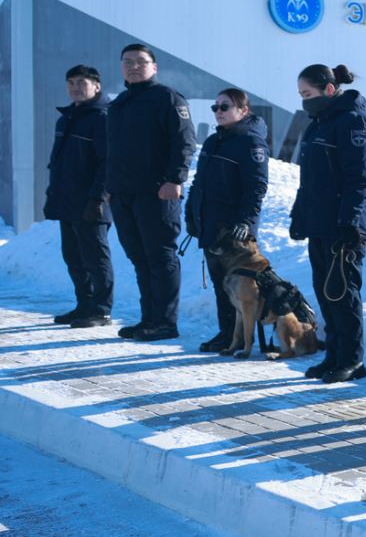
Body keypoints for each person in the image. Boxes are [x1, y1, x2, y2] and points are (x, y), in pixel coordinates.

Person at [290, 64, 366, 383]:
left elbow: (360, 179)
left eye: (308, 94)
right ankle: (334, 356)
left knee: (344, 292)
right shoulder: (317, 124)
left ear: (329, 89)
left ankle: (353, 360)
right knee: (324, 291)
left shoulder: (352, 121)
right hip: (320, 221)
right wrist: (301, 214)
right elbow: (309, 179)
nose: (304, 101)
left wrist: (352, 222)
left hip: (344, 224)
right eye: (301, 95)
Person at [105, 42, 197, 342]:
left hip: (156, 193)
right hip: (123, 194)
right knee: (139, 258)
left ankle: (165, 322)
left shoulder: (166, 98)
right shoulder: (119, 103)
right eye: (127, 61)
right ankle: (149, 319)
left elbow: (184, 142)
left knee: (160, 257)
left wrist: (175, 178)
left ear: (153, 67)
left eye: (140, 61)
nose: (133, 66)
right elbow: (111, 151)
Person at [185, 88, 270, 352]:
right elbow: (199, 182)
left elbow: (256, 187)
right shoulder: (213, 141)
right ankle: (227, 334)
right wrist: (191, 213)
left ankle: (242, 339)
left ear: (243, 111)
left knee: (238, 286)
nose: (218, 112)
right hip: (211, 225)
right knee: (222, 286)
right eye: (216, 107)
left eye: (225, 107)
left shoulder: (251, 143)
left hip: (234, 231)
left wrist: (245, 222)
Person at [43, 64, 114, 327]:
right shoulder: (66, 118)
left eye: (81, 82)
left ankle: (101, 309)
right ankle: (84, 304)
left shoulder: (103, 117)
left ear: (97, 86)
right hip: (67, 201)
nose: (75, 87)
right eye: (71, 82)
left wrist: (98, 198)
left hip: (92, 202)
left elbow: (108, 162)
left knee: (95, 258)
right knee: (73, 256)